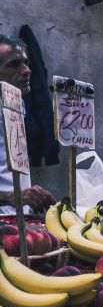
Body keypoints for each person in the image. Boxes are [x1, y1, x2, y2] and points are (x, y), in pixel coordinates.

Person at [0, 36, 55, 214]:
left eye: (26, 62)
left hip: (17, 224)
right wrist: (12, 197)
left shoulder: (16, 104)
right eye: (15, 64)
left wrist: (22, 197)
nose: (27, 70)